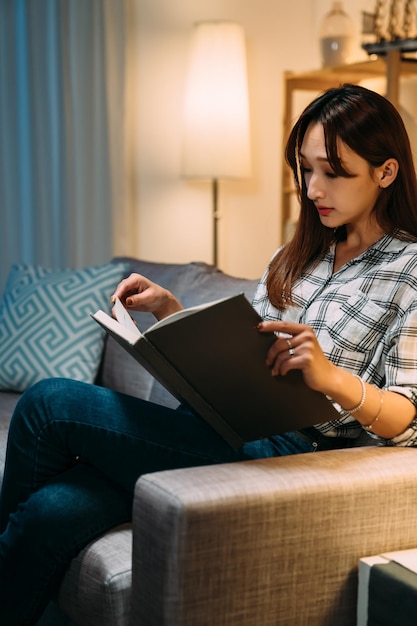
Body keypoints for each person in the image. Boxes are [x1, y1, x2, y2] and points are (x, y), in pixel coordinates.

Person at [2, 83, 417, 624]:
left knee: (48, 402)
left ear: (385, 172)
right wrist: (172, 313)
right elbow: (240, 349)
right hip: (216, 424)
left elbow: (408, 419)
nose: (315, 188)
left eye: (334, 172)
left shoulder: (409, 270)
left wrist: (329, 377)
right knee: (51, 511)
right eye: (306, 170)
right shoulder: (301, 254)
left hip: (287, 452)